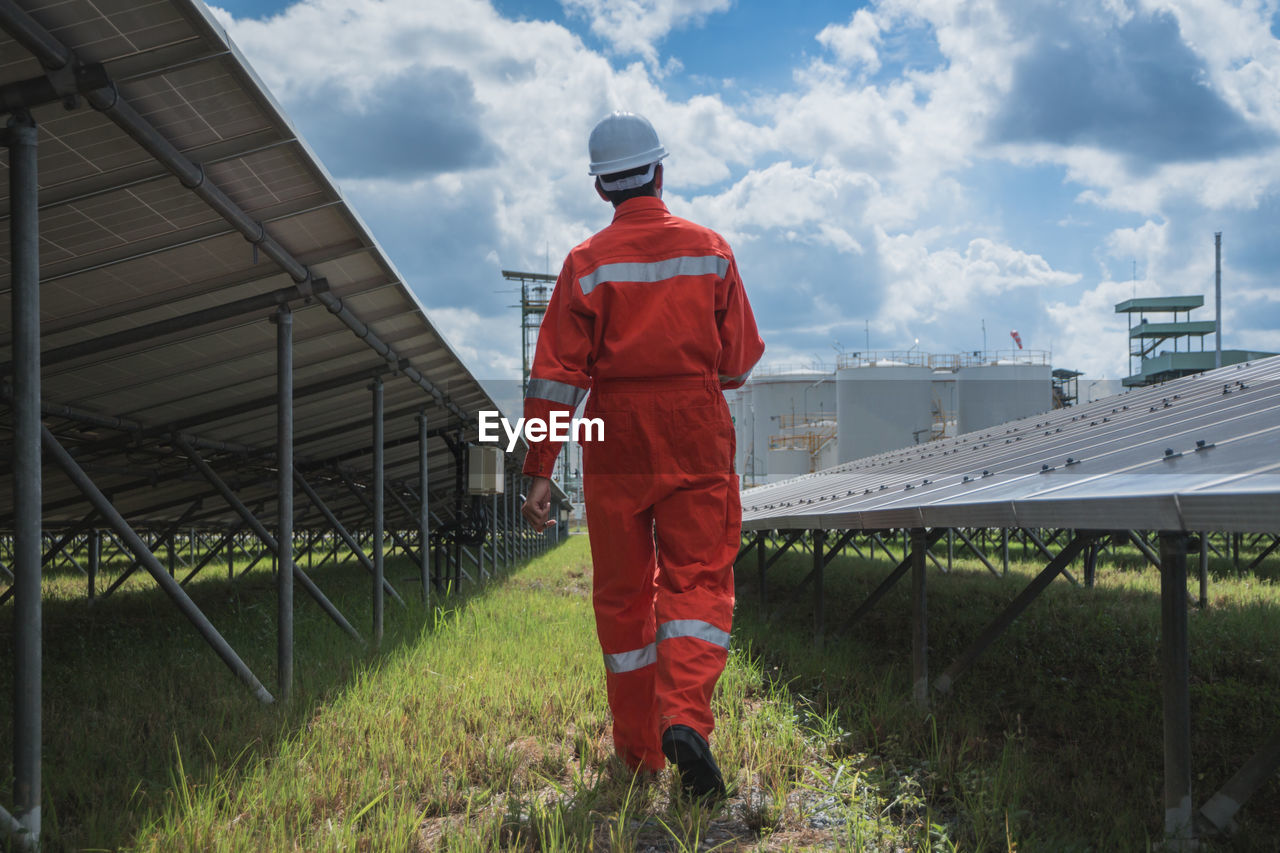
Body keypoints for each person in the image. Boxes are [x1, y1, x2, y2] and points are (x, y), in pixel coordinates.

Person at [520, 111, 764, 800]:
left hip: (614, 431)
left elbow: (554, 378)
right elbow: (739, 362)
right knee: (698, 581)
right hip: (694, 423)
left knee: (625, 597)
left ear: (602, 190)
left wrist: (538, 472)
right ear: (661, 171)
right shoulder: (711, 251)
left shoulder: (585, 264)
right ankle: (685, 717)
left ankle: (637, 754)